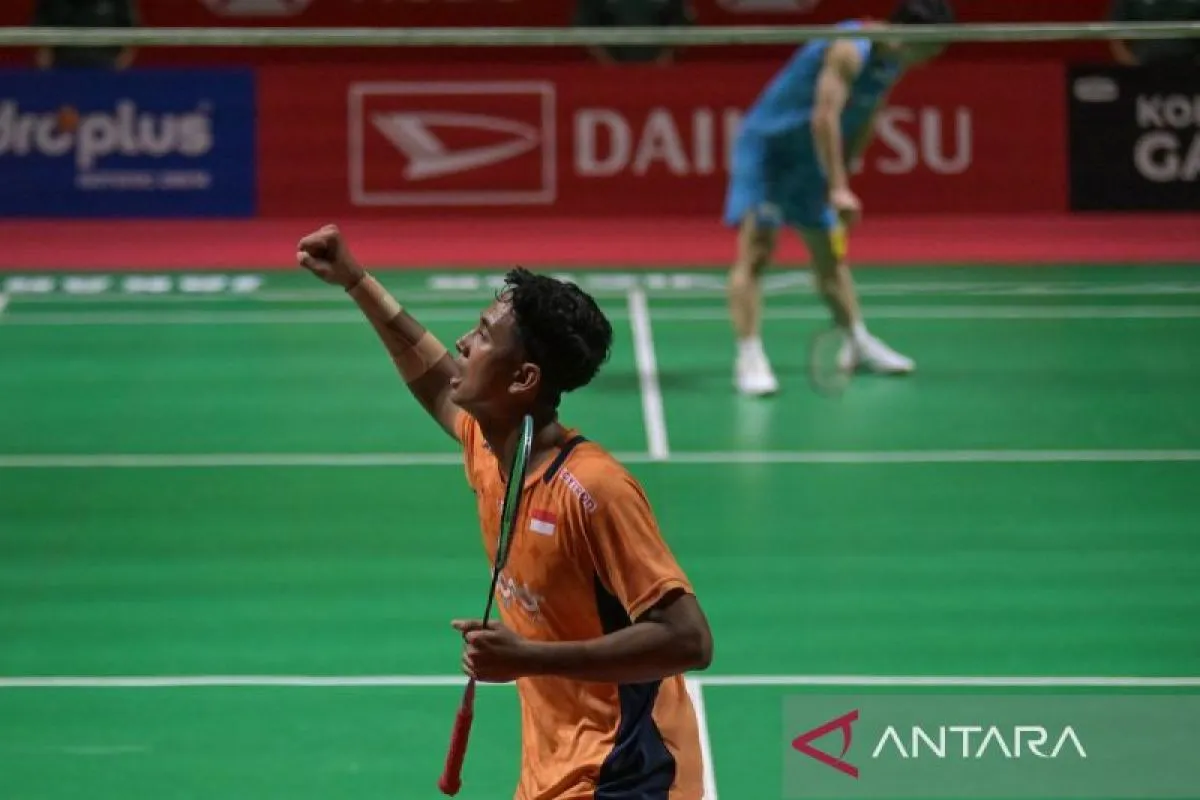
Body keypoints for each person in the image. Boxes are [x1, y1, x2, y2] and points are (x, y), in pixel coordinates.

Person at [296, 225, 714, 800]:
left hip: (625, 773)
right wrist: (357, 281)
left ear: (522, 379)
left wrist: (529, 656)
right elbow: (435, 378)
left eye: (483, 336)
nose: (463, 343)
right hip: (553, 769)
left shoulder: (593, 491)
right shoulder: (492, 449)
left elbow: (690, 640)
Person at [723, 0, 955, 396]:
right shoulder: (849, 47)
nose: (933, 57)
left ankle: (857, 342)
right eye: (931, 47)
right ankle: (749, 356)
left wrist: (844, 176)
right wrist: (837, 187)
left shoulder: (893, 62)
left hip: (810, 157)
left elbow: (867, 115)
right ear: (905, 33)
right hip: (772, 151)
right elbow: (825, 116)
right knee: (758, 251)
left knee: (830, 258)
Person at [32, 0, 139, 70]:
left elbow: (131, 28)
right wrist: (45, 55)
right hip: (62, 63)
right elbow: (41, 26)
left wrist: (123, 60)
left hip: (107, 64)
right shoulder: (53, 3)